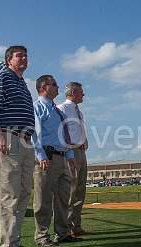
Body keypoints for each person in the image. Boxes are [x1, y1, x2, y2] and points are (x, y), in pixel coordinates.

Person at [0, 45, 35, 247]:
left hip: (26, 141)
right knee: (9, 194)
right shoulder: (3, 78)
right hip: (10, 138)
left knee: (23, 193)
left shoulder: (22, 84)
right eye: (18, 55)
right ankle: (8, 245)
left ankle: (15, 241)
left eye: (25, 55)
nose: (23, 58)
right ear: (8, 60)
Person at [32, 75, 81, 247]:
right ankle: (42, 236)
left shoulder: (57, 110)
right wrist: (41, 156)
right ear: (44, 87)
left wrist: (70, 156)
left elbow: (63, 135)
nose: (58, 87)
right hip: (47, 158)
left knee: (63, 198)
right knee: (43, 199)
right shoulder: (37, 108)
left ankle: (62, 233)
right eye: (54, 84)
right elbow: (34, 135)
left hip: (62, 158)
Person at [57, 82, 88, 237]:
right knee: (71, 190)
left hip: (82, 152)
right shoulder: (62, 108)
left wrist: (85, 139)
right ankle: (66, 227)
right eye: (81, 92)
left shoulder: (79, 112)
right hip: (71, 152)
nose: (83, 94)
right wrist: (68, 150)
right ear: (74, 92)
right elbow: (61, 132)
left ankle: (77, 226)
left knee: (80, 190)